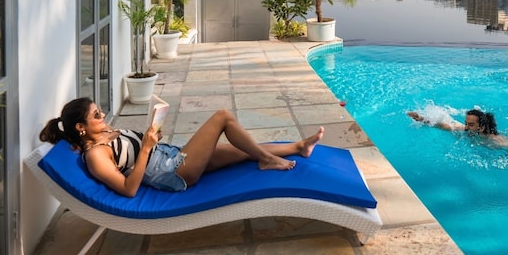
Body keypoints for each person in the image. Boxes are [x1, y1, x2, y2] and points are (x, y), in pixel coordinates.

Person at [40, 98, 324, 197]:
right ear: (81, 127)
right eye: (96, 115)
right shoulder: (96, 155)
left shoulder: (105, 133)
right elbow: (128, 189)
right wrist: (147, 148)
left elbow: (140, 148)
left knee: (241, 150)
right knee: (222, 117)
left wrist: (152, 137)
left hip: (171, 156)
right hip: (173, 173)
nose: (103, 116)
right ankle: (269, 160)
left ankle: (299, 147)